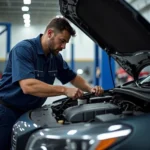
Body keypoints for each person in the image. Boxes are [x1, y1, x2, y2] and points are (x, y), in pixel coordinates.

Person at [0, 17, 104, 150]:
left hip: (30, 112)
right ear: (50, 33)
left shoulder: (55, 57)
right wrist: (64, 90)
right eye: (62, 41)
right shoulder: (24, 49)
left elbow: (72, 77)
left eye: (66, 43)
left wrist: (91, 89)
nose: (63, 46)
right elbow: (28, 86)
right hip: (7, 112)